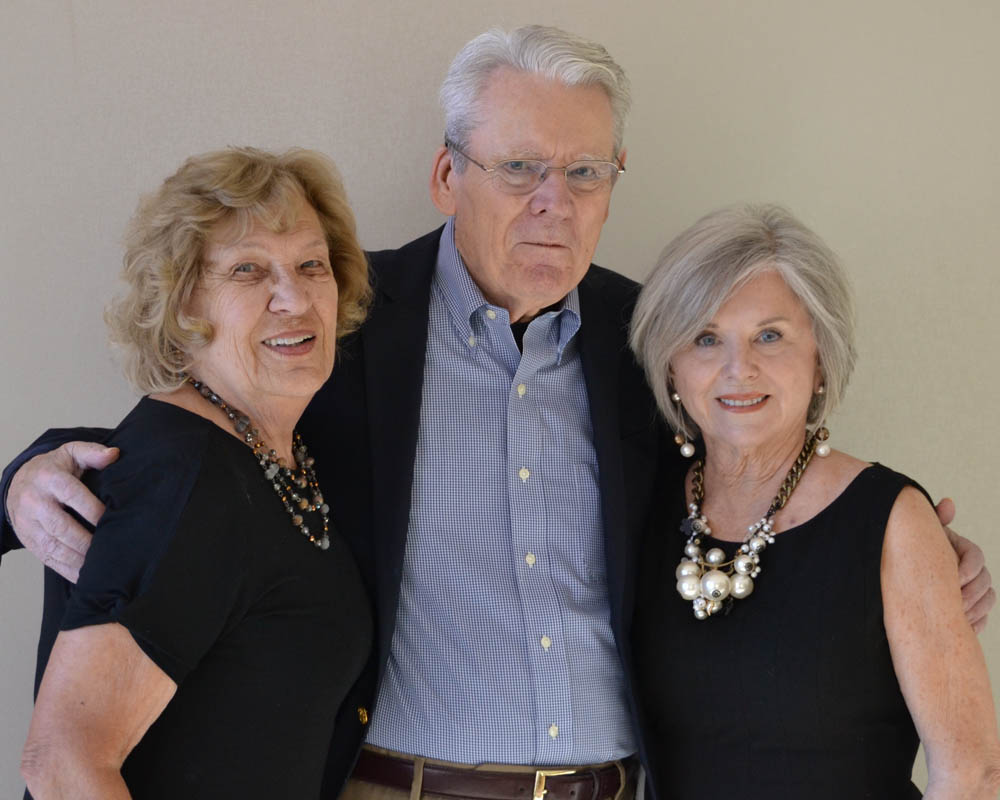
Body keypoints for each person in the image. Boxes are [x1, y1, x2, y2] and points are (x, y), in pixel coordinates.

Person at [2, 26, 993, 800]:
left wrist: (904, 565)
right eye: (518, 168)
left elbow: (746, 489)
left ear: (612, 186)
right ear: (448, 177)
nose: (550, 203)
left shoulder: (653, 343)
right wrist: (27, 473)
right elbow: (199, 426)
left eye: (582, 172)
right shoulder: (336, 323)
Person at [18, 146, 374, 799]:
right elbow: (61, 764)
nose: (293, 297)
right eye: (248, 271)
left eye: (310, 266)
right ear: (183, 308)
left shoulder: (269, 454)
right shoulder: (184, 477)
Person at [629, 204, 1000, 798]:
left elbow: (973, 774)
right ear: (671, 366)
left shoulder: (891, 519)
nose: (737, 369)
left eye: (769, 336)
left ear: (820, 355)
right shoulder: (639, 507)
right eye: (705, 338)